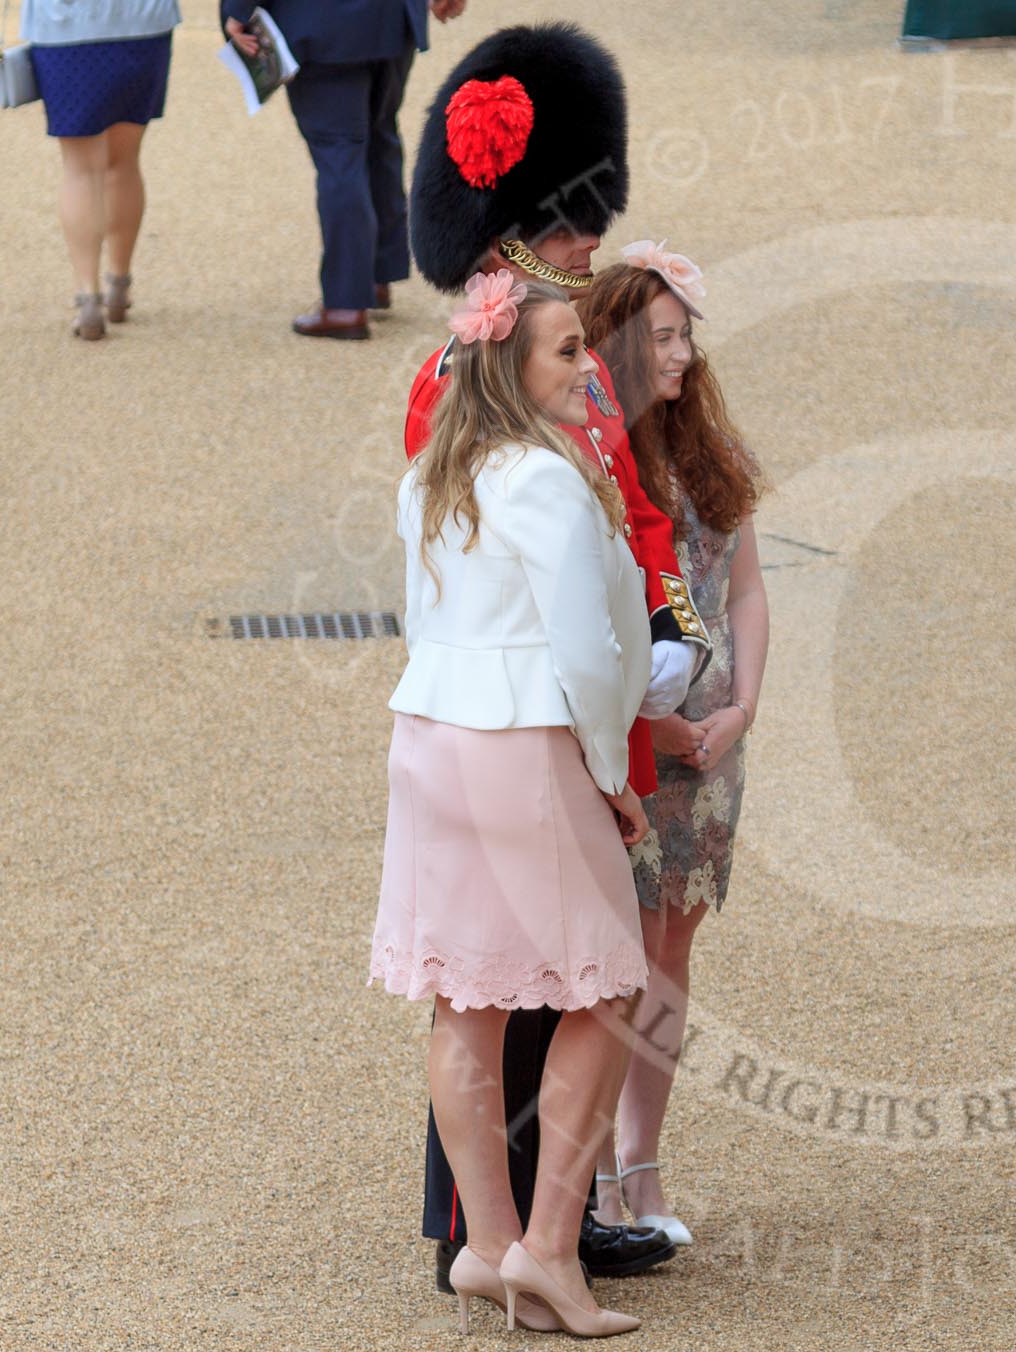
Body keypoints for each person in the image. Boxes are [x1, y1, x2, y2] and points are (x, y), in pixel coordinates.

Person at [402, 21, 707, 1291]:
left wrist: (670, 622)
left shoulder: (520, 360)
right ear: (523, 226)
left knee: (501, 984)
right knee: (546, 983)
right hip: (540, 721)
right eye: (574, 224)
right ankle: (522, 1233)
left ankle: (517, 1232)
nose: (591, 246)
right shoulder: (502, 380)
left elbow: (630, 514)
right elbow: (568, 579)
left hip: (494, 715)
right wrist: (629, 715)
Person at [371, 272, 647, 1338]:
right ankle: (550, 1246)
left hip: (432, 741)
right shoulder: (544, 479)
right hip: (522, 744)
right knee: (610, 984)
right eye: (568, 350)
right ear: (510, 364)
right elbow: (586, 646)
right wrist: (610, 773)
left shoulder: (431, 477)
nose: (589, 367)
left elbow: (418, 620)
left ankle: (488, 1245)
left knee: (466, 997)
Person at [578, 244, 768, 1246]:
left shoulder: (705, 452)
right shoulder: (593, 458)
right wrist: (660, 721)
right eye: (663, 335)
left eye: (686, 333)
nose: (683, 352)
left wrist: (744, 707)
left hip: (713, 746)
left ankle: (644, 1159)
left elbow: (746, 585)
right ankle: (595, 1167)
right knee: (616, 950)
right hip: (635, 741)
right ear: (617, 342)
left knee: (671, 949)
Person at [222, 0, 464, 339]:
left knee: (341, 151)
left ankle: (346, 302)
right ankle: (376, 275)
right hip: (392, 18)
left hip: (322, 23)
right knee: (378, 135)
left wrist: (236, 9)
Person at [19, 0, 181, 340]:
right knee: (124, 161)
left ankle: (88, 298)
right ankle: (119, 286)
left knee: (81, 170)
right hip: (143, 25)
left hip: (65, 26)